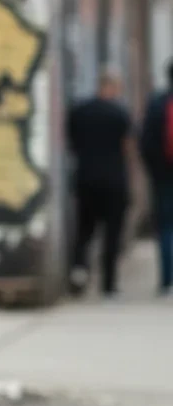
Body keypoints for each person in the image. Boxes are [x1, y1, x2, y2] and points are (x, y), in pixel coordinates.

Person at [66, 70, 134, 297]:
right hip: (114, 181)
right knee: (112, 235)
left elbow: (72, 144)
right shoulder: (120, 114)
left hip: (86, 178)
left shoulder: (79, 112)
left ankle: (78, 270)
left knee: (84, 230)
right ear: (113, 87)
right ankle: (109, 284)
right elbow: (127, 149)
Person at [138, 57, 173, 294]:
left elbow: (146, 143)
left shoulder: (158, 103)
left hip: (164, 177)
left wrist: (155, 171)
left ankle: (166, 281)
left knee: (166, 227)